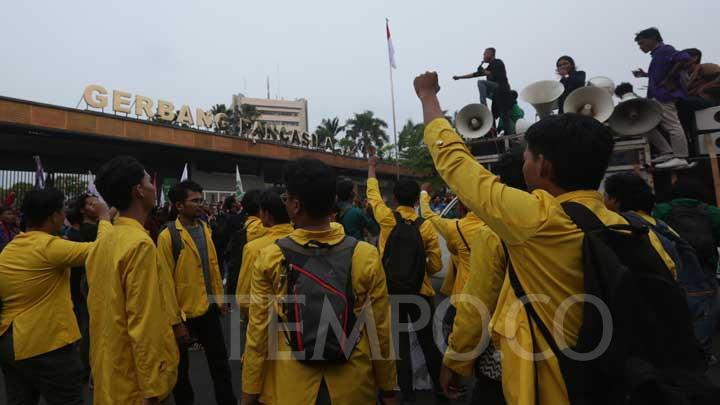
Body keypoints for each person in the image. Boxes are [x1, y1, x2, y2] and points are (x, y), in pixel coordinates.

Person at [413, 71, 679, 404]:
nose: (524, 161)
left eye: (528, 155)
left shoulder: (537, 220)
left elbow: (455, 163)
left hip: (554, 387)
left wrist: (428, 97)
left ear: (545, 167)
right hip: (624, 382)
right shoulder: (635, 229)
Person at [241, 158, 397, 405]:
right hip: (353, 384)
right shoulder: (365, 254)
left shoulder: (270, 256)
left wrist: (249, 392)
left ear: (295, 205)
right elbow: (381, 329)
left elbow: (258, 332)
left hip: (291, 386)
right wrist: (388, 387)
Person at [0, 188, 110, 404]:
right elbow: (102, 251)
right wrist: (104, 216)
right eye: (62, 210)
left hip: (9, 342)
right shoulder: (49, 246)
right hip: (46, 343)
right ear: (53, 216)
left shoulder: (11, 248)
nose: (65, 214)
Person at [87, 156, 179, 405]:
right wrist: (153, 388)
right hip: (135, 383)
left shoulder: (104, 241)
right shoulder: (139, 244)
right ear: (139, 190)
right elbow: (144, 323)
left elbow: (97, 312)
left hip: (110, 372)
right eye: (149, 180)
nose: (153, 186)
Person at [441, 147, 526, 405]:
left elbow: (477, 306)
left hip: (504, 362)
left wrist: (455, 361)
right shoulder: (567, 222)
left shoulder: (493, 232)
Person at [366, 155, 443, 403]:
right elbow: (437, 264)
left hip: (392, 292)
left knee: (399, 346)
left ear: (396, 199)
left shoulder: (387, 219)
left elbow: (373, 196)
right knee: (428, 342)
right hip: (421, 292)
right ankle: (441, 390)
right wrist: (420, 272)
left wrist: (371, 168)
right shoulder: (426, 226)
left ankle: (406, 394)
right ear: (414, 200)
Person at [156, 180, 236, 405]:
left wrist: (220, 300)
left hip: (208, 309)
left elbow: (213, 267)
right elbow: (165, 283)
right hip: (184, 315)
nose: (201, 204)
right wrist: (176, 322)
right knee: (181, 374)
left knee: (220, 366)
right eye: (195, 201)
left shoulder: (205, 228)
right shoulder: (168, 236)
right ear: (179, 205)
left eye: (201, 200)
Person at [653, 177, 720, 365]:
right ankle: (703, 354)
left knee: (676, 311)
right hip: (704, 268)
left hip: (674, 268)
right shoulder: (712, 212)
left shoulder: (662, 209)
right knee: (706, 312)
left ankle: (681, 352)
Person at [418, 185, 483, 340]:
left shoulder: (455, 228)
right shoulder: (497, 226)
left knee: (452, 333)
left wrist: (424, 193)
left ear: (460, 207)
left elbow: (428, 214)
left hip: (464, 295)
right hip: (493, 293)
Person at [632, 27, 692, 169]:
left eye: (642, 43)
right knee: (645, 123)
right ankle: (668, 152)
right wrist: (645, 75)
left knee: (672, 125)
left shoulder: (665, 49)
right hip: (656, 96)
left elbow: (684, 58)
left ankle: (681, 157)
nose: (640, 47)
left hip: (664, 95)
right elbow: (660, 74)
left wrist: (670, 77)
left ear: (653, 39)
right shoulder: (657, 55)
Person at [453, 47, 515, 135]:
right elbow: (474, 74)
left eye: (485, 54)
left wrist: (483, 71)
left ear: (490, 54)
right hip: (497, 95)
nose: (483, 56)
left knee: (481, 82)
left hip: (502, 89)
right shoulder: (489, 67)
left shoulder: (497, 62)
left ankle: (484, 106)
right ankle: (495, 135)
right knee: (494, 116)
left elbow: (491, 74)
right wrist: (459, 77)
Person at [225, 190, 265, 296]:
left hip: (241, 291)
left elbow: (234, 267)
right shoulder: (270, 230)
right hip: (261, 292)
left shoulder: (241, 229)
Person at [677, 48, 720, 131]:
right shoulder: (684, 76)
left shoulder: (706, 67)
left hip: (711, 101)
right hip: (695, 106)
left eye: (682, 58)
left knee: (681, 102)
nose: (679, 61)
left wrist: (704, 89)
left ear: (695, 58)